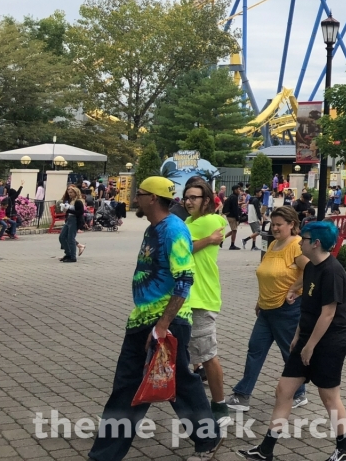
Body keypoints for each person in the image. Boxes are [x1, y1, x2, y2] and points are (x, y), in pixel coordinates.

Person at [89, 176, 222, 461]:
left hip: (166, 322)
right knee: (132, 386)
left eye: (140, 194)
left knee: (178, 384)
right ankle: (105, 453)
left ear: (153, 198)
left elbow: (185, 280)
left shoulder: (173, 230)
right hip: (142, 320)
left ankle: (208, 438)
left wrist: (162, 326)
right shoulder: (153, 228)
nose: (135, 198)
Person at [236, 221, 346, 461]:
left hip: (330, 342)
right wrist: (299, 336)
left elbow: (328, 313)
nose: (300, 241)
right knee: (284, 390)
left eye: (305, 238)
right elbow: (307, 308)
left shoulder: (333, 271)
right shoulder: (311, 267)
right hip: (307, 338)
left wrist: (310, 346)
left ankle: (344, 449)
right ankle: (266, 449)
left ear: (316, 243)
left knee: (329, 396)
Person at [227, 206, 309, 412]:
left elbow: (311, 270)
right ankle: (242, 394)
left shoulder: (297, 245)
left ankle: (299, 393)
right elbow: (266, 275)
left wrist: (294, 289)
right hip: (266, 309)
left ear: (292, 225)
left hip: (286, 310)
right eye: (272, 224)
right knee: (255, 349)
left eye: (279, 225)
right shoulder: (273, 245)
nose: (274, 228)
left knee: (288, 352)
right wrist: (259, 300)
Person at [183, 176, 233, 428]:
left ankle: (220, 405)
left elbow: (178, 246)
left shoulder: (209, 221)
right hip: (185, 297)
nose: (188, 201)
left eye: (194, 197)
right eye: (186, 197)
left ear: (207, 201)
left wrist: (211, 239)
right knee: (192, 355)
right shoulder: (190, 221)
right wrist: (210, 241)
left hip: (201, 298)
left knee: (208, 354)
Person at [223, 184, 244, 250]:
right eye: (238, 189)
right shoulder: (234, 197)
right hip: (232, 216)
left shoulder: (232, 196)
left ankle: (223, 240)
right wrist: (237, 218)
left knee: (233, 230)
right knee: (234, 230)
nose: (239, 191)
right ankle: (232, 245)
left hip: (230, 215)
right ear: (235, 190)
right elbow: (235, 208)